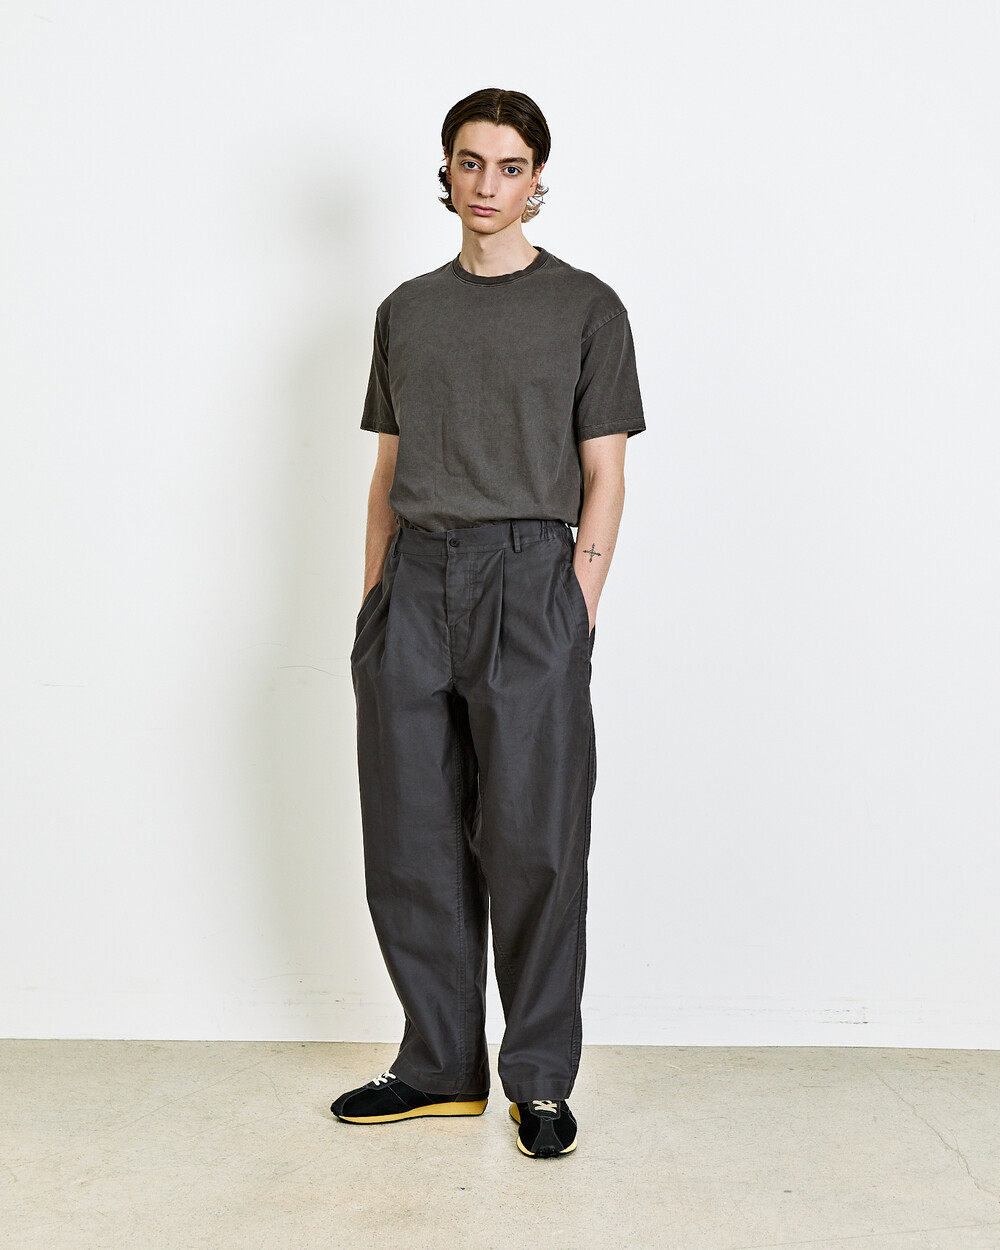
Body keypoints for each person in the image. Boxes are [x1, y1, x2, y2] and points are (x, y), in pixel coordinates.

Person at [331, 87, 645, 1159]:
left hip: (530, 578)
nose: (487, 184)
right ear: (446, 171)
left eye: (510, 167)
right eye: (470, 162)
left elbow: (604, 475)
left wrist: (575, 606)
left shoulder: (587, 308)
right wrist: (374, 603)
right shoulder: (407, 310)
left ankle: (540, 1079)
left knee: (534, 840)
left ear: (537, 180)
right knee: (410, 837)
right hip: (414, 582)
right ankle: (438, 1066)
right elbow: (388, 469)